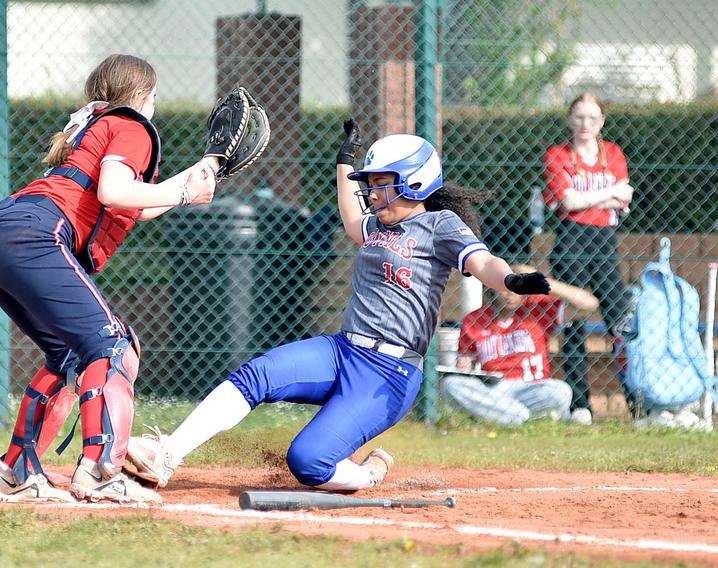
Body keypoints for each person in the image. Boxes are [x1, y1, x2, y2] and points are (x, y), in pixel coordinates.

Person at [122, 120, 551, 492]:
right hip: (344, 349)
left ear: (414, 183)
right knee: (257, 374)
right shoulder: (379, 224)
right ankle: (167, 454)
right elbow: (350, 216)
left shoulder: (440, 226)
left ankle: (368, 474)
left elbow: (482, 262)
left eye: (382, 183)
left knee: (307, 461)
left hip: (390, 373)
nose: (373, 192)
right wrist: (345, 159)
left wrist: (509, 278)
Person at [0, 54, 219, 504]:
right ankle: (103, 471)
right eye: (155, 97)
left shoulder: (91, 124)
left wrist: (198, 175)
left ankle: (14, 473)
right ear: (142, 97)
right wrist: (184, 190)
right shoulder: (133, 124)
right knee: (113, 346)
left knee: (68, 356)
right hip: (37, 235)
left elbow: (133, 205)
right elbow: (113, 191)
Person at [543, 93, 635, 424]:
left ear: (602, 122)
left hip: (604, 243)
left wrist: (588, 199)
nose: (586, 124)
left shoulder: (613, 153)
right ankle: (579, 405)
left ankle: (637, 401)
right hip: (571, 241)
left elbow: (624, 198)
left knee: (620, 321)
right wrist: (607, 194)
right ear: (570, 120)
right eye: (579, 117)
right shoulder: (557, 155)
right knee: (574, 323)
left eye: (592, 118)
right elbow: (567, 203)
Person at [441, 267, 600, 426]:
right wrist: (465, 369)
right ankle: (523, 418)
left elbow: (590, 305)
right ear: (492, 288)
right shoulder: (474, 320)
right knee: (451, 385)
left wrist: (542, 281)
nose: (511, 293)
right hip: (494, 390)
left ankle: (507, 417)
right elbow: (464, 365)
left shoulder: (538, 310)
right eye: (506, 288)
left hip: (533, 389)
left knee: (561, 390)